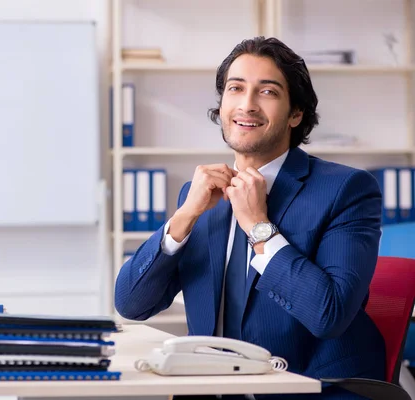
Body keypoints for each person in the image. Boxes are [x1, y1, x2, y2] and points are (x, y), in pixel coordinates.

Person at [114, 36, 385, 400]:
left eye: (267, 92)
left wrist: (258, 226)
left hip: (315, 391)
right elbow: (132, 304)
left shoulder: (347, 190)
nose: (247, 105)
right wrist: (184, 216)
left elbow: (329, 314)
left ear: (296, 113)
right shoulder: (200, 197)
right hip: (218, 388)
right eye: (235, 88)